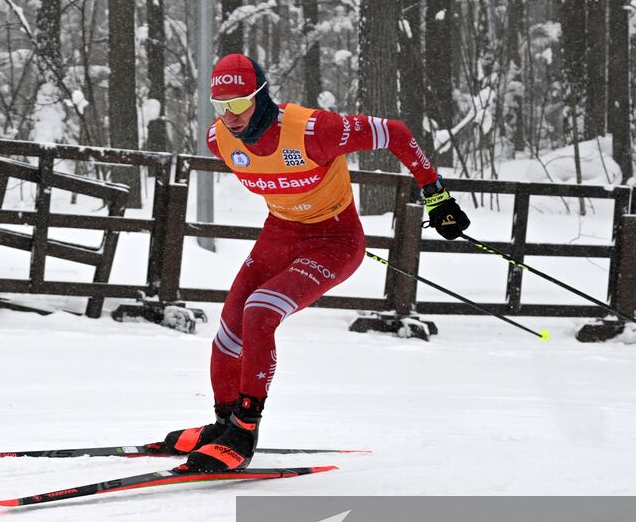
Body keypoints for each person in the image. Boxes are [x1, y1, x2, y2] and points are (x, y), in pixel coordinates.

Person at [151, 53, 471, 472]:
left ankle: (244, 431)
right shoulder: (219, 140)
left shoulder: (315, 131)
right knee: (229, 329)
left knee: (260, 311)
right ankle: (223, 424)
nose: (230, 116)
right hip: (280, 233)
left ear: (261, 95)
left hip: (334, 240)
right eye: (220, 105)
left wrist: (436, 193)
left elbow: (395, 133)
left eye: (240, 102)